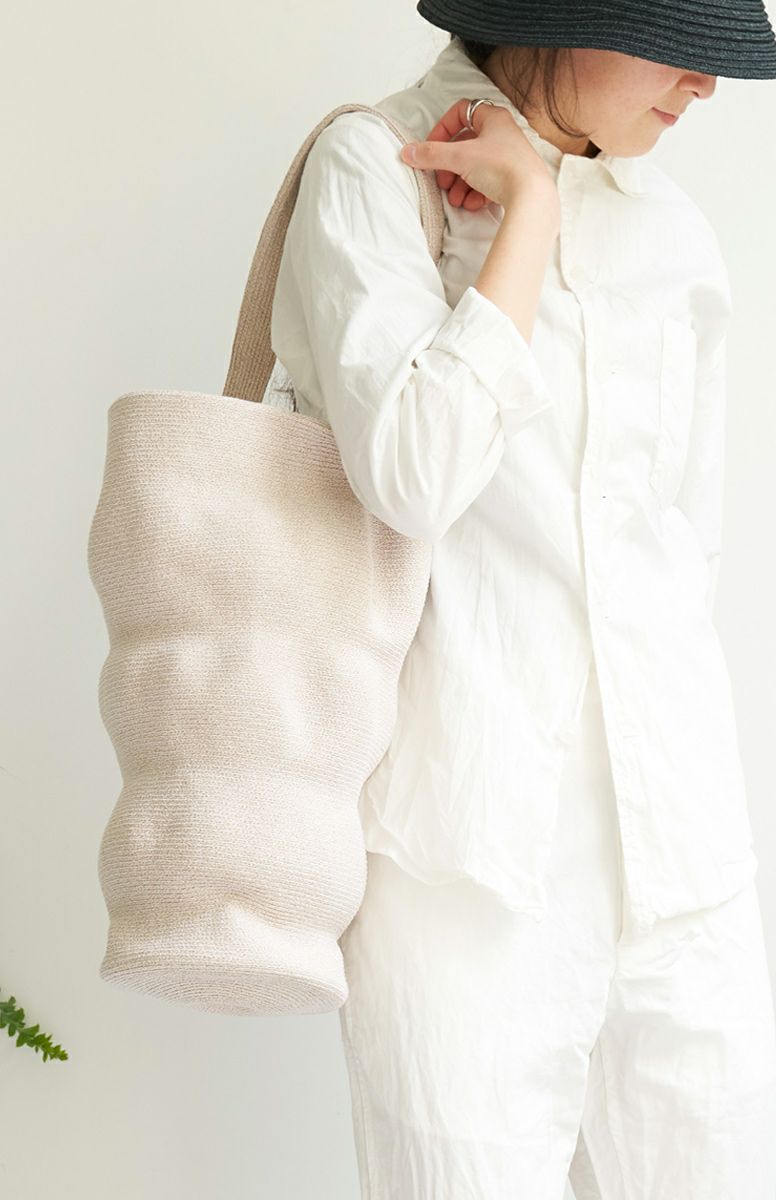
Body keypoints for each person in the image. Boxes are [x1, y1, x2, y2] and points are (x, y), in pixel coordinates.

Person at [266, 2, 776, 1197]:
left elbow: (683, 549)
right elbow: (413, 475)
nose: (705, 85)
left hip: (679, 860)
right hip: (461, 865)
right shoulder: (373, 169)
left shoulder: (672, 228)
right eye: (678, 39)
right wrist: (526, 221)